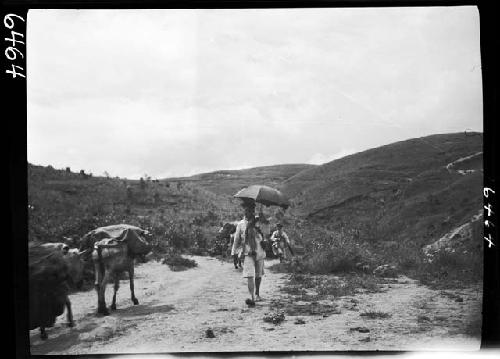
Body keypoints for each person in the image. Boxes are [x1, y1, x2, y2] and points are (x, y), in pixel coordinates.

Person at [233, 201, 266, 307]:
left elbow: (265, 234)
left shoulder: (258, 223)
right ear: (244, 211)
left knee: (258, 275)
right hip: (248, 253)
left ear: (253, 211)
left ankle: (257, 294)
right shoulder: (241, 224)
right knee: (250, 275)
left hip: (259, 251)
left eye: (251, 210)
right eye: (247, 210)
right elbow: (237, 239)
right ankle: (252, 297)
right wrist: (234, 252)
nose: (249, 212)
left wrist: (260, 229)